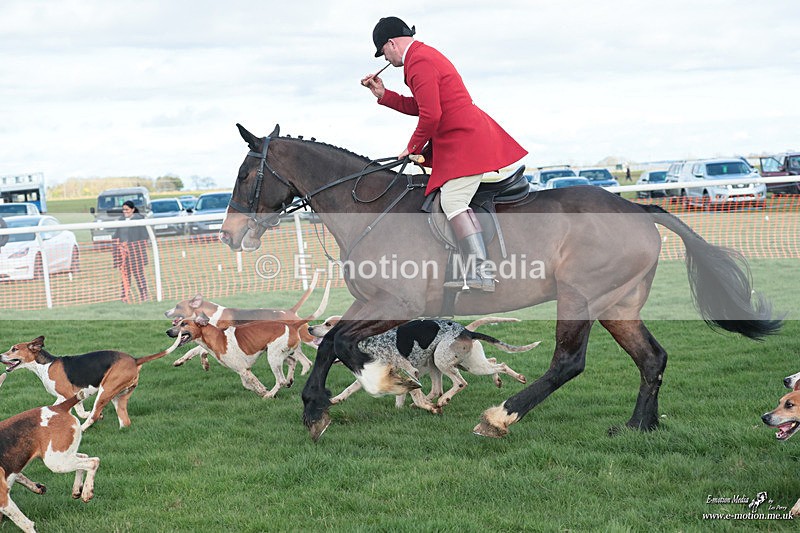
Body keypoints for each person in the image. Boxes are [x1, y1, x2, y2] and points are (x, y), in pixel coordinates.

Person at [362, 16, 527, 292]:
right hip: (460, 140)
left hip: (466, 141)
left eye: (383, 52)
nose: (386, 59)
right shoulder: (421, 57)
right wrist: (384, 95)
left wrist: (412, 147)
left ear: (391, 43)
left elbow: (431, 115)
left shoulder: (419, 62)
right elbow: (423, 106)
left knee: (453, 201)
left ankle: (481, 272)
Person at [113, 200, 149, 303]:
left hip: (136, 254)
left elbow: (144, 236)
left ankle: (144, 295)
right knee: (125, 276)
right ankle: (124, 296)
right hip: (123, 254)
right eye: (123, 210)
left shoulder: (139, 220)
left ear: (132, 209)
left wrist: (134, 247)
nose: (125, 211)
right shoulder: (120, 221)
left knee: (139, 275)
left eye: (127, 209)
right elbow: (116, 236)